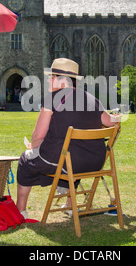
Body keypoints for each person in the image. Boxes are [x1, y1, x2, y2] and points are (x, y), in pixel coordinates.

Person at [16, 58, 121, 219]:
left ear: (61, 80)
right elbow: (112, 122)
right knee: (73, 154)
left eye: (51, 76)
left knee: (25, 160)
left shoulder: (53, 99)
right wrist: (117, 117)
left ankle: (21, 210)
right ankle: (69, 204)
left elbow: (37, 136)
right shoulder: (92, 99)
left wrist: (34, 148)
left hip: (66, 162)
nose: (48, 80)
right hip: (94, 162)